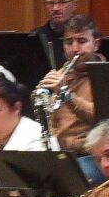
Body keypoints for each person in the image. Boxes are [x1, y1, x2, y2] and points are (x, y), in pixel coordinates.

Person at [39, 14, 102, 161]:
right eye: (69, 42)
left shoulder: (105, 76)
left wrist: (65, 94)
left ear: (96, 44)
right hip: (58, 153)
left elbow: (101, 116)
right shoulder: (61, 74)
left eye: (82, 41)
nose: (75, 48)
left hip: (89, 155)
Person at [29, 0, 81, 90]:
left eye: (62, 2)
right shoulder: (34, 38)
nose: (56, 8)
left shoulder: (87, 37)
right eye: (51, 3)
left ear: (74, 4)